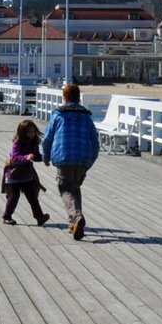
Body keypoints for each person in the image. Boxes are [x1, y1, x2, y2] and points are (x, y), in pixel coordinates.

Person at [42, 83, 99, 240]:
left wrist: (46, 156)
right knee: (74, 188)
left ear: (64, 98)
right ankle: (73, 224)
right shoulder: (86, 117)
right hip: (82, 158)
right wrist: (89, 161)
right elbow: (95, 141)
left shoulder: (59, 115)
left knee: (65, 188)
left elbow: (47, 138)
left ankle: (76, 216)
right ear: (78, 98)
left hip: (64, 156)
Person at [1, 119, 50, 225]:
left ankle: (39, 217)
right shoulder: (17, 141)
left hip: (26, 174)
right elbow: (15, 157)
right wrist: (26, 157)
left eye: (33, 131)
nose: (31, 134)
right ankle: (7, 216)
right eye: (28, 132)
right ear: (22, 132)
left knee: (32, 196)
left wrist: (45, 158)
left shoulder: (34, 142)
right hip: (13, 173)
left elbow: (36, 156)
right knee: (14, 196)